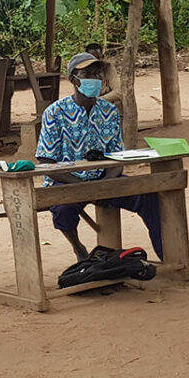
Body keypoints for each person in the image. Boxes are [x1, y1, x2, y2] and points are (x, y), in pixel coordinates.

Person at [37, 52, 162, 261]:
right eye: (87, 73)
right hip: (67, 182)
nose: (94, 78)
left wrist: (105, 184)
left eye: (97, 73)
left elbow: (117, 155)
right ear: (74, 80)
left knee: (150, 198)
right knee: (63, 210)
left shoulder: (109, 111)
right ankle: (78, 249)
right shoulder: (54, 112)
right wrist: (80, 185)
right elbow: (46, 160)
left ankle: (168, 256)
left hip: (105, 179)